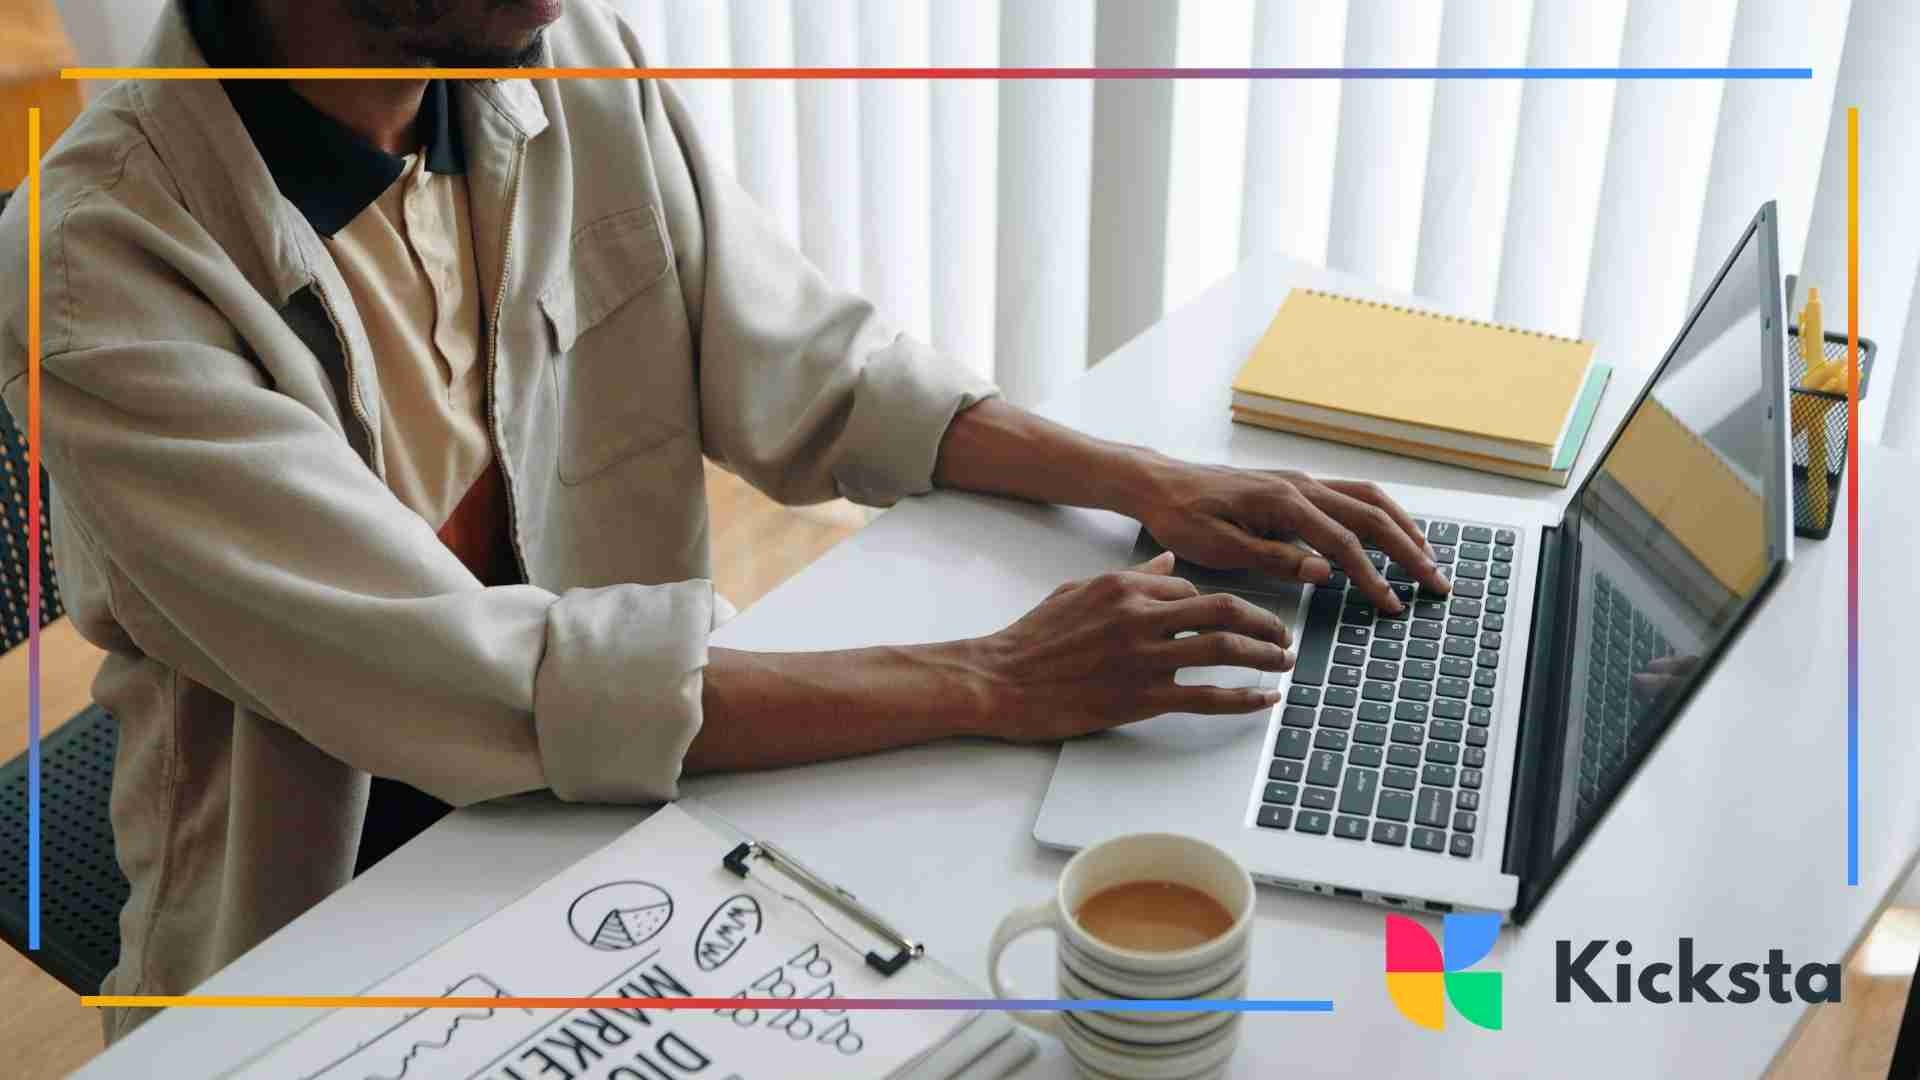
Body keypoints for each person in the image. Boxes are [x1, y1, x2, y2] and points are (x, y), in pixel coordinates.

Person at [0, 0, 1447, 1040]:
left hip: (631, 817)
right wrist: (996, 679)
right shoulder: (95, 259)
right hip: (323, 929)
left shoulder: (558, 52)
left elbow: (815, 368)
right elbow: (471, 678)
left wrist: (1142, 479)